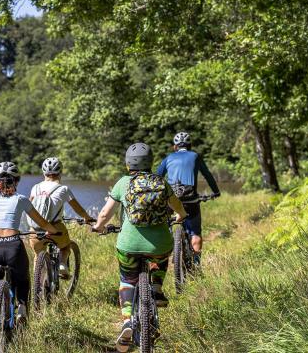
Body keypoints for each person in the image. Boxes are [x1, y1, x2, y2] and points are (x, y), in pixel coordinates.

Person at [92, 143, 188, 353]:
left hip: (129, 245)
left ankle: (127, 321)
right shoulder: (161, 182)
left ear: (128, 164)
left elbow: (104, 215)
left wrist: (98, 227)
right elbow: (178, 208)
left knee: (128, 279)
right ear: (151, 162)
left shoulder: (122, 183)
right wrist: (179, 217)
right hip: (159, 244)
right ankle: (157, 288)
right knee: (161, 258)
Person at [0, 161, 59, 329]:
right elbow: (41, 222)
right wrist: (53, 230)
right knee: (23, 276)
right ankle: (22, 309)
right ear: (16, 181)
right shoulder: (21, 199)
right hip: (13, 247)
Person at [157, 132, 221, 266]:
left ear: (175, 147)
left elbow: (157, 177)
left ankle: (163, 252)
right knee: (195, 233)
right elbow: (207, 175)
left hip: (171, 200)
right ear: (190, 145)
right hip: (191, 200)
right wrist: (215, 191)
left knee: (165, 225)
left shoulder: (168, 158)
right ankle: (197, 266)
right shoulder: (195, 156)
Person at [27, 157, 95, 277]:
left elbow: (28, 207)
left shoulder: (35, 188)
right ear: (60, 172)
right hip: (55, 229)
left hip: (35, 230)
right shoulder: (63, 189)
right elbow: (77, 208)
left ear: (44, 172)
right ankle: (62, 264)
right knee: (65, 247)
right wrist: (87, 217)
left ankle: (38, 283)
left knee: (38, 256)